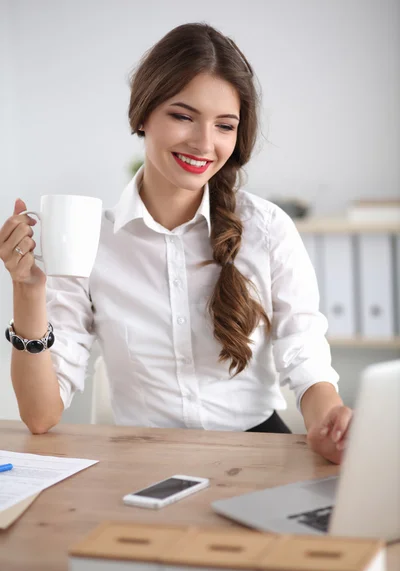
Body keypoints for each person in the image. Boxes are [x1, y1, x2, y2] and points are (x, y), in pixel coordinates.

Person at [0, 23, 352, 464]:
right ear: (144, 113)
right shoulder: (93, 241)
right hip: (140, 460)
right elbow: (40, 416)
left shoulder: (266, 229)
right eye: (183, 116)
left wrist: (329, 422)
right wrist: (27, 289)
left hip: (256, 451)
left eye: (225, 125)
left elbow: (304, 354)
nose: (205, 143)